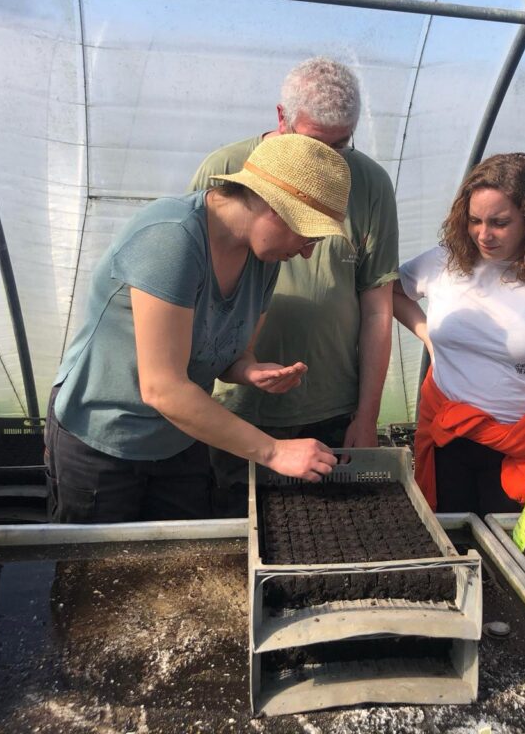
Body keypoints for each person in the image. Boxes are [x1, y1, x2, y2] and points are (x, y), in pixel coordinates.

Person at [44, 134, 351, 523]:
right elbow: (163, 387)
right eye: (309, 235)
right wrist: (275, 451)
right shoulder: (171, 238)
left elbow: (229, 355)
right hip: (104, 440)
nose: (308, 251)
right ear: (275, 208)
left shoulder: (265, 261)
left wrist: (250, 369)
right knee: (97, 574)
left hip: (181, 439)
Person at [188, 57, 399, 516]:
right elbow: (195, 294)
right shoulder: (224, 169)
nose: (328, 161)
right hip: (238, 404)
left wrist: (367, 416)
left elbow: (379, 309)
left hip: (329, 404)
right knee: (237, 531)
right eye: (315, 143)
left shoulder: (371, 185)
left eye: (341, 145)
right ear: (281, 118)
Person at [393, 153, 525, 516]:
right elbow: (389, 291)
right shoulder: (444, 260)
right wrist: (427, 337)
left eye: (500, 223)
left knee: (513, 551)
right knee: (450, 539)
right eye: (474, 221)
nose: (483, 235)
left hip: (517, 444)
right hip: (447, 435)